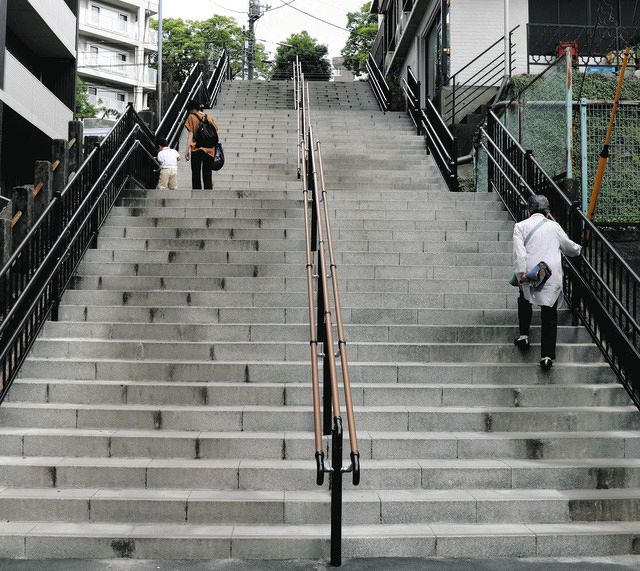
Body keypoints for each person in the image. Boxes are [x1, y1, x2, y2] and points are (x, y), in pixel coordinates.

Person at [512, 194, 581, 370]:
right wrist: (579, 249)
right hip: (550, 275)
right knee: (549, 315)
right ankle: (547, 356)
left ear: (529, 211)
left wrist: (522, 274)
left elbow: (519, 254)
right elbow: (569, 247)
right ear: (547, 213)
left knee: (524, 300)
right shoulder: (554, 226)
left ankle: (524, 335)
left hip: (530, 273)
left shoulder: (520, 226)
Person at [185, 100, 219, 190]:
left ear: (192, 109)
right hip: (210, 150)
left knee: (196, 172)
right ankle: (208, 192)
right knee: (207, 173)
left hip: (197, 149)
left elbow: (191, 134)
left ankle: (197, 193)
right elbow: (216, 129)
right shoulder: (208, 117)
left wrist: (187, 151)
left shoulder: (191, 117)